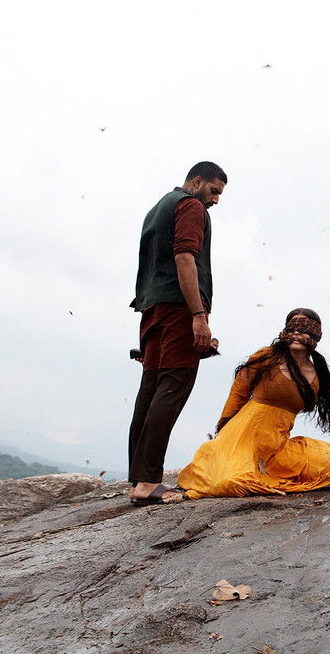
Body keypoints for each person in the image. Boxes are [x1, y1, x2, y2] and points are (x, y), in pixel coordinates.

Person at [126, 161, 228, 506]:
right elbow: (185, 257)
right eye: (213, 191)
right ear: (197, 181)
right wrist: (198, 315)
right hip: (178, 309)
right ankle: (148, 482)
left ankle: (140, 479)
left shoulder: (158, 208)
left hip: (152, 309)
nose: (215, 200)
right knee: (173, 387)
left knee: (151, 389)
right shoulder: (190, 205)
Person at [177, 308, 330, 498]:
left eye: (303, 329)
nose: (296, 333)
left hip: (277, 447)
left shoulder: (318, 375)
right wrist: (222, 429)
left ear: (315, 335)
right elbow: (238, 393)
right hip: (242, 439)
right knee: (232, 482)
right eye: (292, 328)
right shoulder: (267, 357)